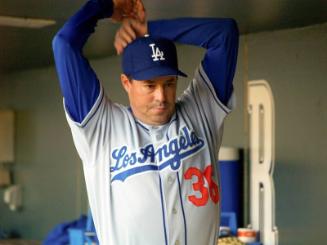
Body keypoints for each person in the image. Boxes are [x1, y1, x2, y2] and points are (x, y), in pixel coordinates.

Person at [52, 0, 239, 244]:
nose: (161, 96)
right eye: (149, 85)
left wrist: (149, 30)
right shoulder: (101, 127)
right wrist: (107, 6)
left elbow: (225, 33)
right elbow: (64, 43)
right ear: (126, 83)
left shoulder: (201, 111)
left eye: (169, 83)